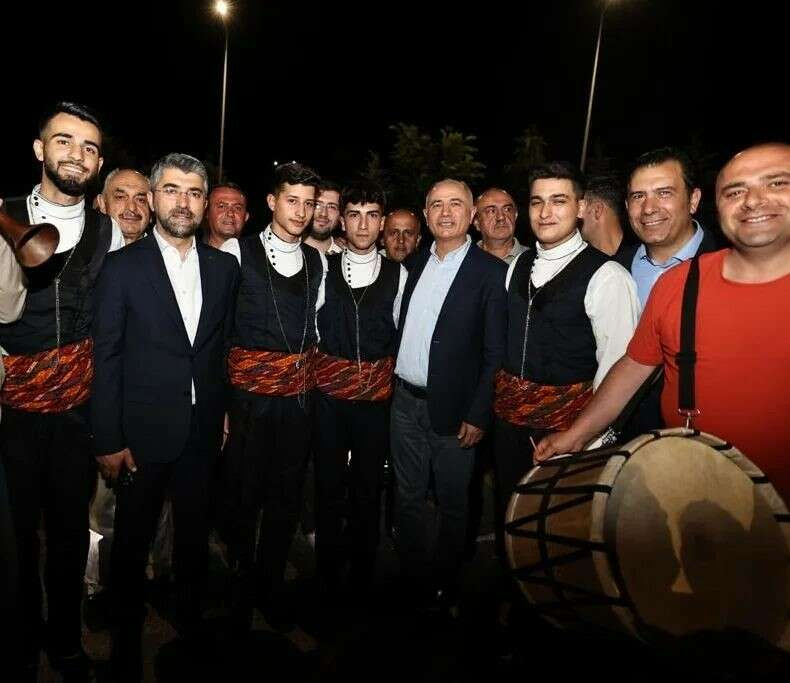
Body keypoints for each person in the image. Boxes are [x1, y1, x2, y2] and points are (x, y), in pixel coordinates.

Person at [535, 143, 790, 504]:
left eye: (777, 183)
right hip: (679, 479)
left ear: (694, 200)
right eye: (735, 191)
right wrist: (578, 435)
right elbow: (632, 366)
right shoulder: (674, 283)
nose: (752, 201)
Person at [91, 153, 239, 680]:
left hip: (202, 431)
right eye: (172, 190)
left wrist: (221, 411)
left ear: (204, 202)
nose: (184, 202)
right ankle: (125, 643)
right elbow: (106, 356)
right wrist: (108, 438)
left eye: (194, 192)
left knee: (193, 537)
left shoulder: (224, 269)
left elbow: (218, 350)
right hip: (142, 433)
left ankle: (191, 627)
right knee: (131, 543)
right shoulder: (121, 268)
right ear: (153, 199)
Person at [0, 101, 120, 681]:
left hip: (78, 410)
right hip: (13, 412)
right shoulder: (4, 214)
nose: (77, 154)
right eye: (65, 141)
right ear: (39, 148)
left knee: (70, 535)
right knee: (16, 539)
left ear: (99, 163)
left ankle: (65, 642)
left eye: (90, 147)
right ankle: (21, 640)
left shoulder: (109, 230)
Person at [219, 162, 327, 636]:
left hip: (298, 400)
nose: (301, 212)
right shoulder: (236, 252)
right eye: (292, 201)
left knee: (286, 496)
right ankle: (240, 585)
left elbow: (315, 329)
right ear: (271, 202)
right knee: (243, 495)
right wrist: (222, 405)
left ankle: (269, 583)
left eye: (309, 203)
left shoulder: (318, 262)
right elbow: (219, 330)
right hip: (247, 399)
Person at [391, 178, 507, 612]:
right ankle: (412, 576)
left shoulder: (491, 273)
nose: (445, 212)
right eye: (436, 205)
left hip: (457, 413)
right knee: (406, 497)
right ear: (425, 215)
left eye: (455, 204)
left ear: (472, 214)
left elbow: (495, 354)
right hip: (404, 404)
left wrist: (479, 413)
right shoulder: (413, 264)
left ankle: (445, 581)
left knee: (453, 502)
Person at [313, 181, 407, 600]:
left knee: (369, 489)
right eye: (354, 215)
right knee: (328, 487)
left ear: (382, 222)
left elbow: (400, 336)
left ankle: (364, 576)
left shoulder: (399, 275)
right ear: (342, 221)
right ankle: (327, 574)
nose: (363, 225)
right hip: (329, 401)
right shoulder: (322, 268)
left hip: (375, 403)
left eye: (372, 216)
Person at [96, 168, 151, 244]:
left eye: (140, 200)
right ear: (102, 204)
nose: (132, 208)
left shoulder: (164, 250)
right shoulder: (84, 248)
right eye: (120, 197)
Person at [473, 187, 527, 263]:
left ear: (515, 216)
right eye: (491, 211)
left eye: (507, 209)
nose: (501, 217)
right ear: (477, 222)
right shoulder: (464, 260)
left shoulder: (534, 260)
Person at [204, 182, 249, 248]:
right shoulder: (191, 252)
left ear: (246, 217)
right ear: (207, 213)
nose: (230, 213)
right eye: (221, 206)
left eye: (237, 208)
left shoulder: (259, 253)